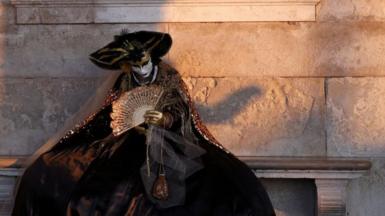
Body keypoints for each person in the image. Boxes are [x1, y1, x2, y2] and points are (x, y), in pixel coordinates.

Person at [12, 31, 275, 216]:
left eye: (143, 63)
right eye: (134, 65)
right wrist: (122, 118)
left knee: (211, 188)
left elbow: (181, 110)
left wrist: (164, 118)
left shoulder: (169, 77)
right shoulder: (125, 80)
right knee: (57, 170)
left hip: (169, 142)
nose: (139, 69)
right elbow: (109, 112)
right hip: (127, 142)